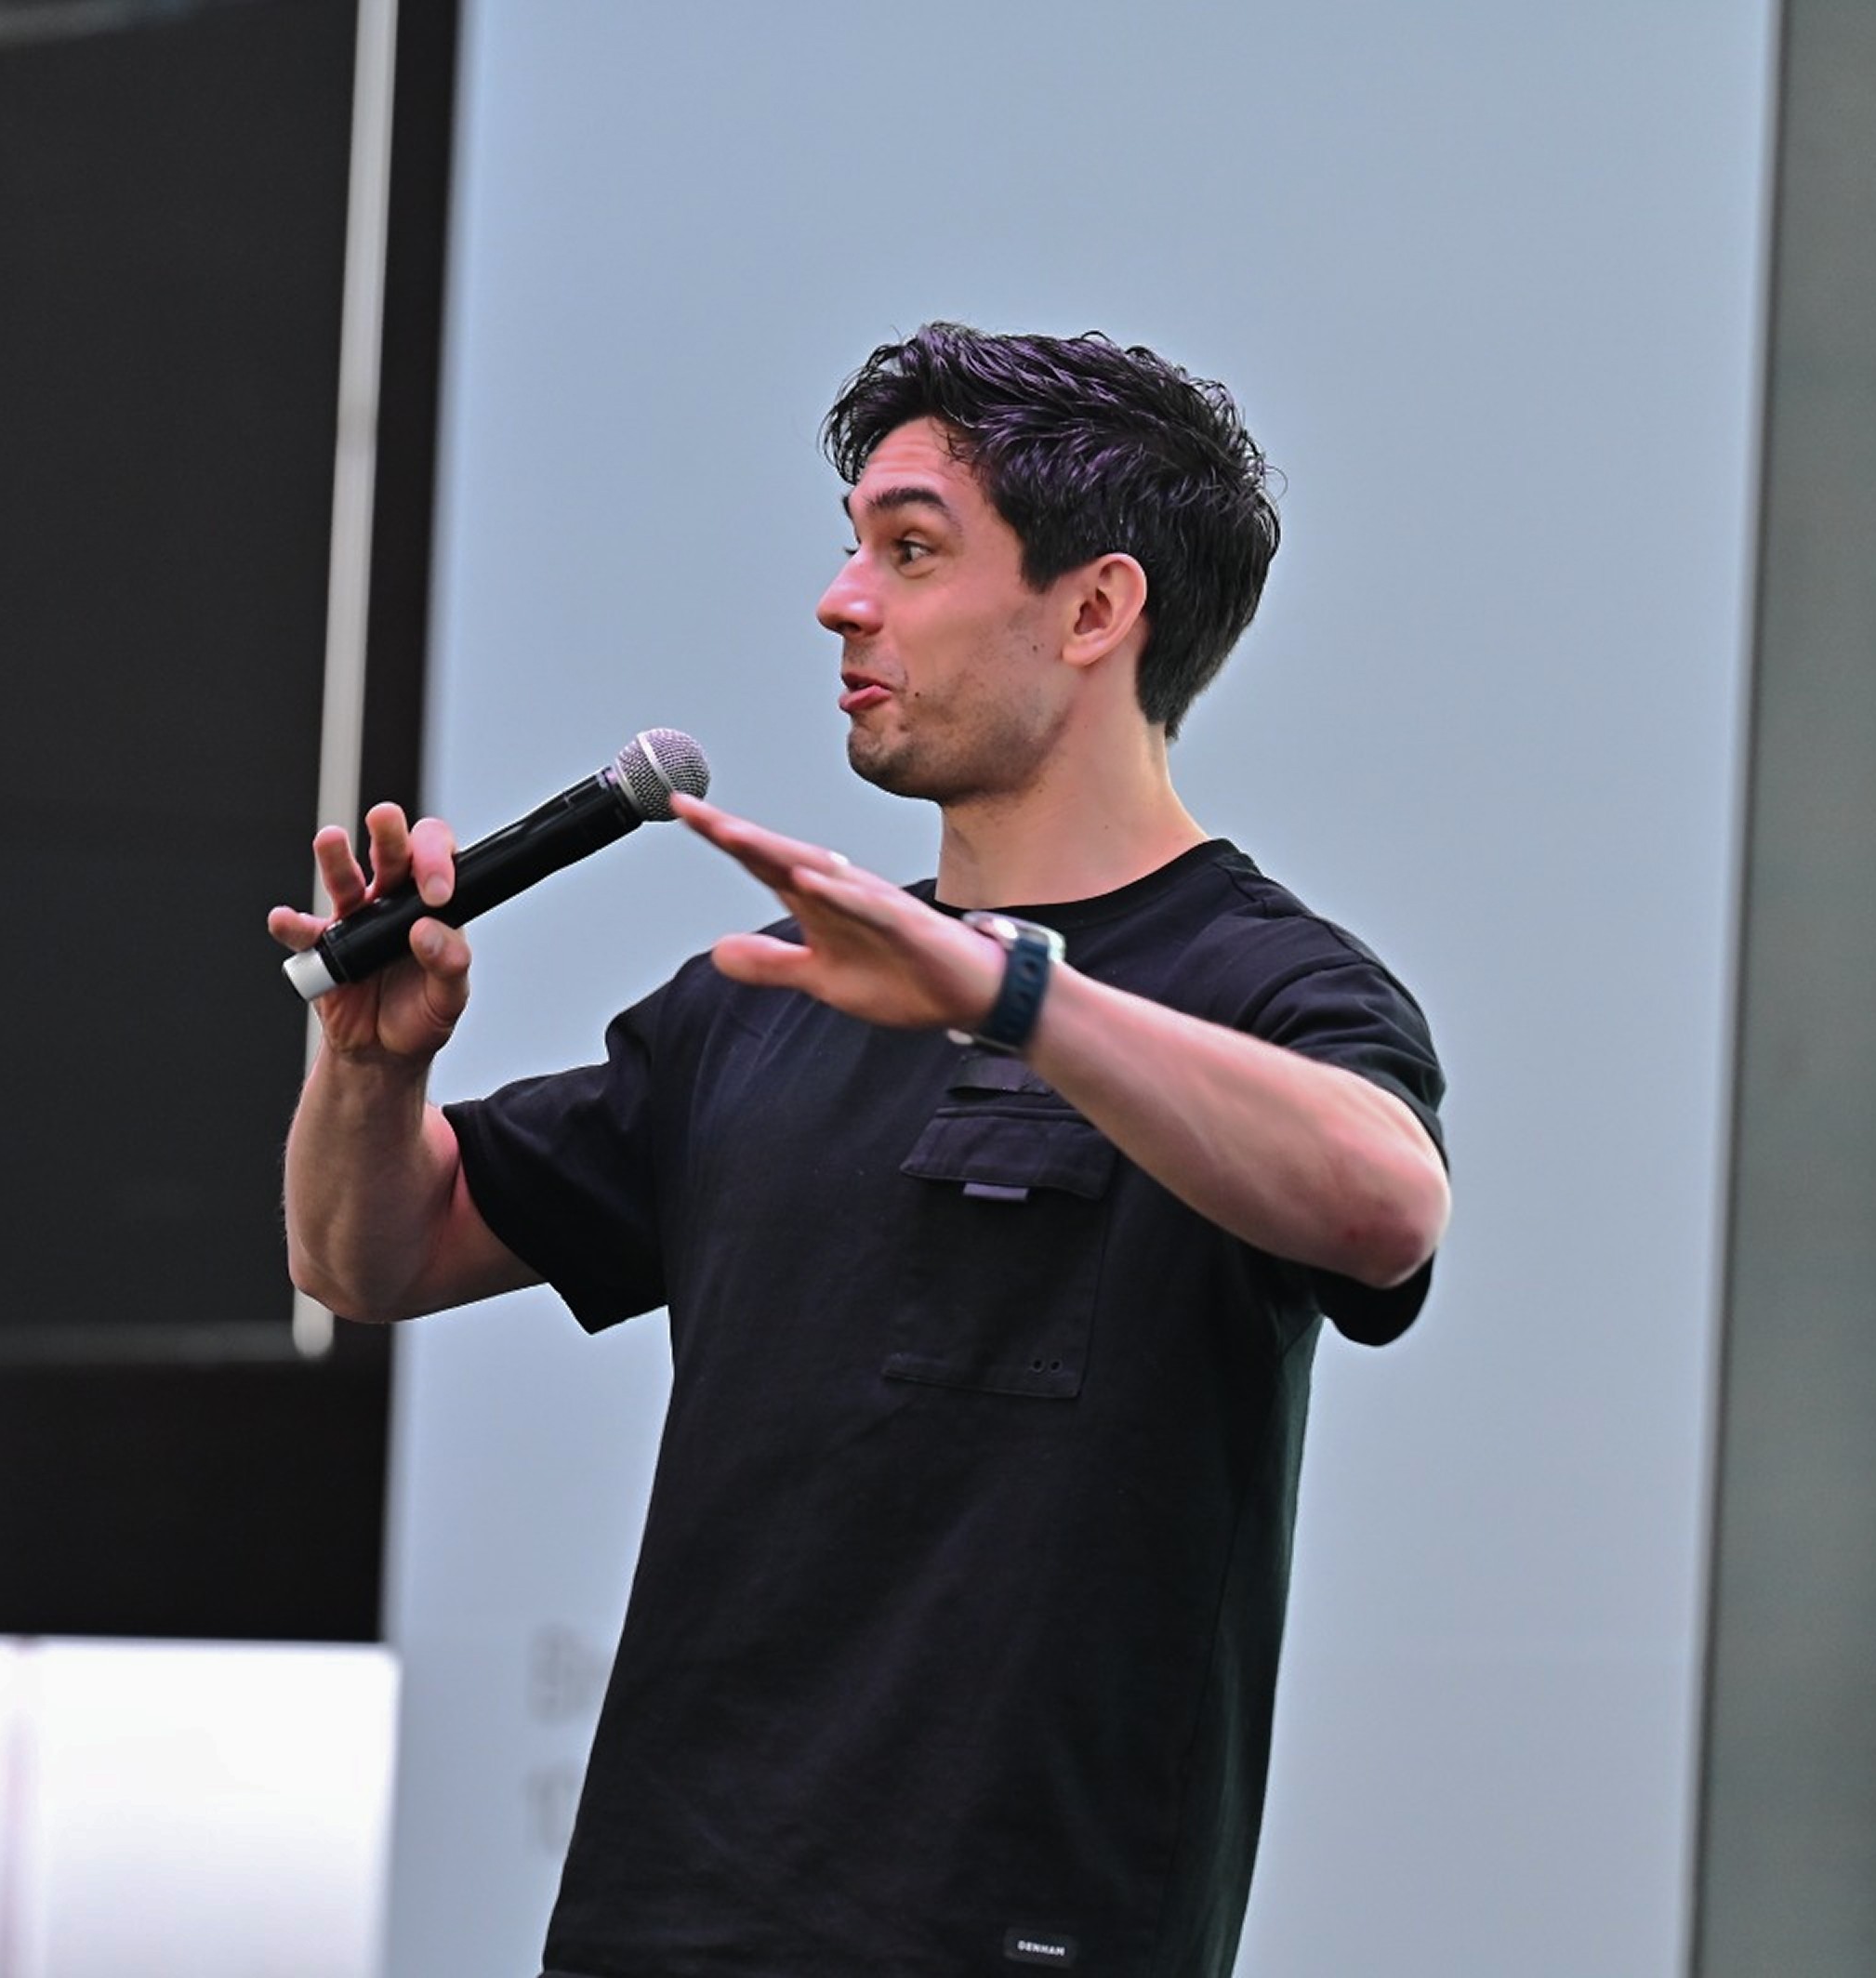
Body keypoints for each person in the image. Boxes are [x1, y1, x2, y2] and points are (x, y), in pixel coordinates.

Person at [271, 324, 1451, 1978]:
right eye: (852, 550)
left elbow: (1386, 1203)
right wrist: (369, 1074)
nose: (843, 603)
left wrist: (1010, 988)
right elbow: (370, 1253)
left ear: (1098, 610)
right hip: (655, 1927)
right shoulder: (767, 1001)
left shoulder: (1265, 986)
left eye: (909, 550)